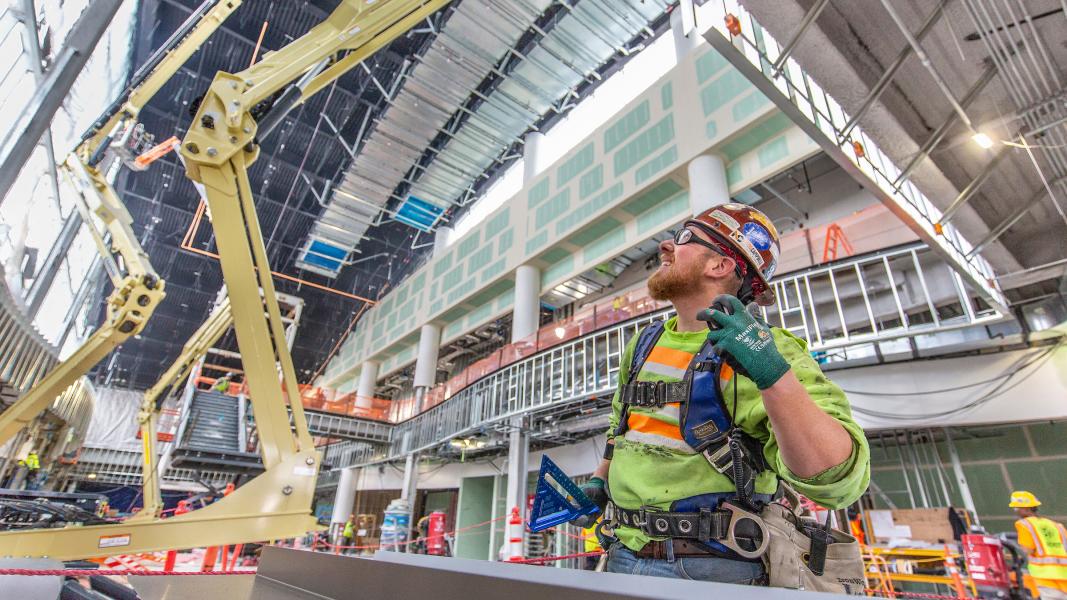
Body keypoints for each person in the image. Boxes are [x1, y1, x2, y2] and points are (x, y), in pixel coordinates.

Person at [572, 204, 870, 585]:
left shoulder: (769, 350)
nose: (666, 246)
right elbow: (622, 426)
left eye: (682, 239)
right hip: (622, 553)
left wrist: (772, 374)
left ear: (719, 266)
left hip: (711, 568)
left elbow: (837, 480)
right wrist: (600, 481)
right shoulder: (644, 344)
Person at [1011, 491, 1067, 599]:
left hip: (1046, 576)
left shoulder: (1024, 524)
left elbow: (1027, 550)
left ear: (1026, 509)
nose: (1016, 511)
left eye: (1017, 508)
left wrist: (1015, 556)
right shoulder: (1057, 526)